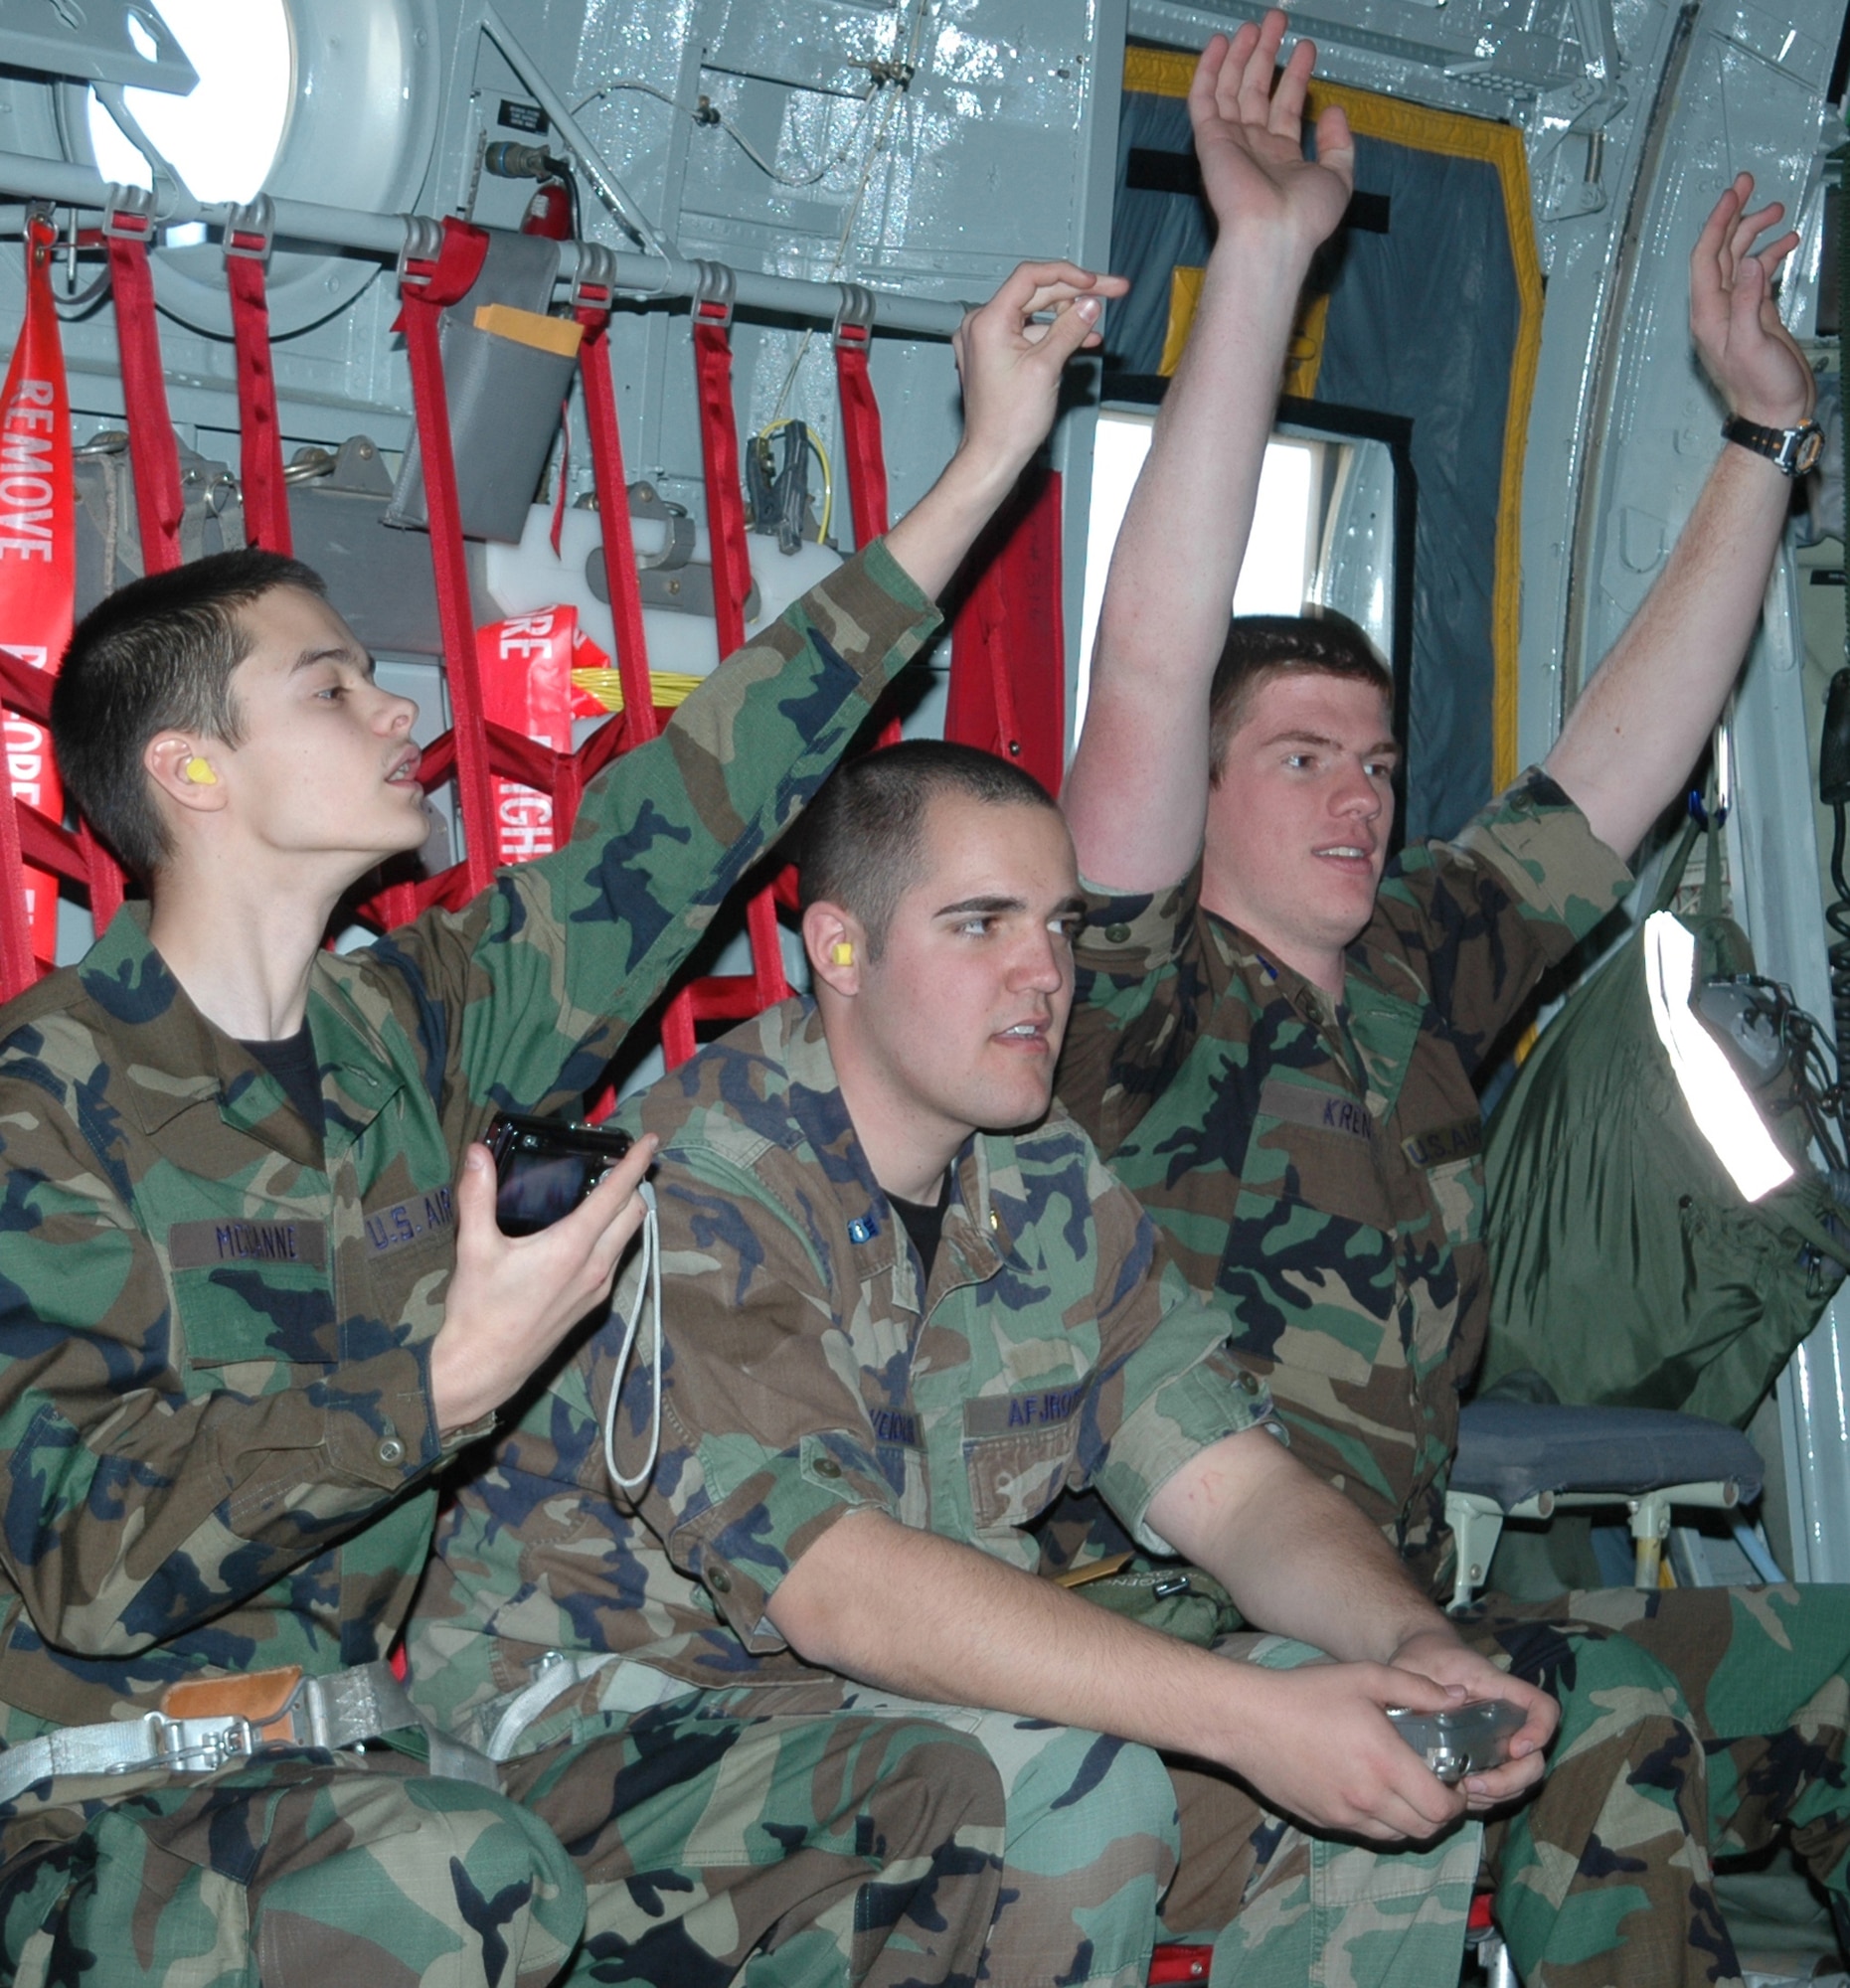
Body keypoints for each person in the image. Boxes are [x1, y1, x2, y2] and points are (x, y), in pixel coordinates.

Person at [0, 258, 1118, 1988]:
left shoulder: (416, 1031)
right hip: (102, 1827)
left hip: (379, 1778)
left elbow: (699, 800)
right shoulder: (40, 1100)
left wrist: (985, 460)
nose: (406, 716)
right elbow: (79, 1550)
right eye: (330, 688)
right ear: (188, 770)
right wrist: (434, 1384)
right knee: (458, 1874)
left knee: (911, 1799)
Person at [1056, 14, 1850, 1987]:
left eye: (1373, 754)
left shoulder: (1411, 960)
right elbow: (1150, 667)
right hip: (1194, 1649)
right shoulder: (1135, 998)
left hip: (1420, 1602)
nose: (1357, 785)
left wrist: (1762, 438)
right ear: (1201, 802)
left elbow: (1616, 765)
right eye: (1300, 756)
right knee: (1613, 1750)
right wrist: (1257, 257)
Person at [408, 739, 1559, 1988]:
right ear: (839, 949)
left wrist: (1405, 1641)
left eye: (1060, 926)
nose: (1045, 974)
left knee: (1385, 1741)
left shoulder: (1039, 1167)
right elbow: (841, 1590)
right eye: (980, 924)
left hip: (885, 1724)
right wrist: (1250, 1719)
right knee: (1072, 1784)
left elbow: (1236, 1488)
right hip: (605, 1761)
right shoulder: (703, 1185)